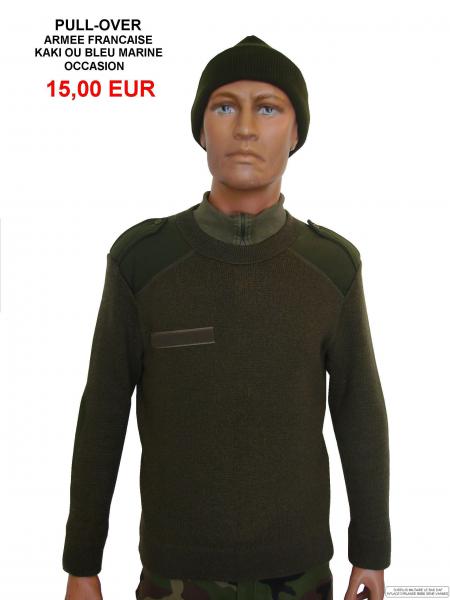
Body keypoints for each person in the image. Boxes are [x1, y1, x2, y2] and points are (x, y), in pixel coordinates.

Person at [62, 35, 391, 600]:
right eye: (224, 107)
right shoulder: (143, 260)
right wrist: (82, 564)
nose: (244, 127)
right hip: (173, 574)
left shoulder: (332, 265)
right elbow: (103, 414)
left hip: (301, 573)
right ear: (201, 130)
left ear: (296, 133)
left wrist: (372, 551)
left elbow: (359, 411)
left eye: (268, 108)